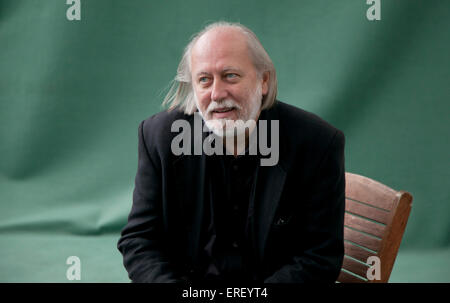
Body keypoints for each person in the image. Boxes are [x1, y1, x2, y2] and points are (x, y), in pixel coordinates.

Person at [117, 21, 346, 283]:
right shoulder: (159, 137)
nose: (217, 94)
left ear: (264, 80)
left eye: (230, 76)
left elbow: (320, 256)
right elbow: (140, 240)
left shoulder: (317, 142)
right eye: (204, 80)